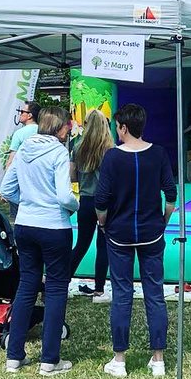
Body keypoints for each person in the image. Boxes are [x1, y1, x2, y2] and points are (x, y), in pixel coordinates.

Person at [95, 102, 177, 379]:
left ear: (124, 127)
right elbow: (171, 194)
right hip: (152, 232)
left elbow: (101, 200)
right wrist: (163, 221)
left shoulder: (112, 158)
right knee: (155, 295)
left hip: (119, 234)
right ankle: (158, 359)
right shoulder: (158, 154)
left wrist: (103, 222)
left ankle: (119, 360)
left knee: (122, 295)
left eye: (117, 126)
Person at [2, 104, 77, 375]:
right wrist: (75, 207)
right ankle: (49, 360)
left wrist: (28, 203)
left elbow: (7, 188)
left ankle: (14, 356)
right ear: (59, 128)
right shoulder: (58, 151)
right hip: (54, 227)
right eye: (68, 125)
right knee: (56, 289)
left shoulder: (23, 150)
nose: (70, 129)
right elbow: (64, 196)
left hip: (25, 225)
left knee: (26, 286)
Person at [70, 108, 113, 302]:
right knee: (103, 245)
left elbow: (72, 176)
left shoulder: (77, 147)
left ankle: (62, 281)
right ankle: (99, 288)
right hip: (105, 202)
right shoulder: (110, 150)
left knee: (81, 244)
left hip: (86, 200)